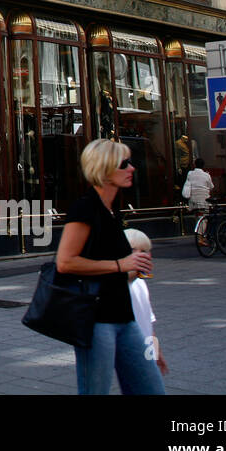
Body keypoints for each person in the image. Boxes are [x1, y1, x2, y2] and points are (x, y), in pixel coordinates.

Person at [56, 139, 164, 395]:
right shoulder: (86, 208)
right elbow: (65, 262)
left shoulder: (110, 210)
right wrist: (121, 264)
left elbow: (109, 269)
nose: (132, 169)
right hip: (96, 320)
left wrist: (131, 270)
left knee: (151, 389)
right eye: (124, 164)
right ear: (105, 168)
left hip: (124, 318)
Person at [124, 228, 168, 377]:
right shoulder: (121, 286)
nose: (144, 255)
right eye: (136, 250)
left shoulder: (141, 283)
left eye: (146, 251)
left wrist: (155, 351)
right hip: (130, 349)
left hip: (143, 349)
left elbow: (148, 323)